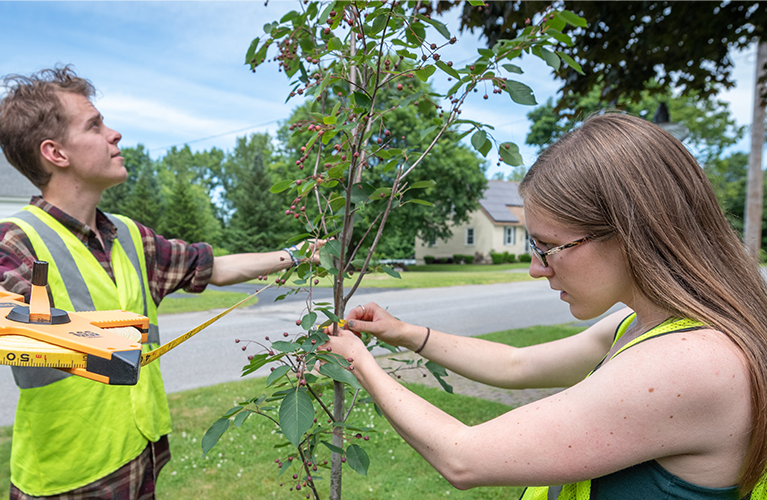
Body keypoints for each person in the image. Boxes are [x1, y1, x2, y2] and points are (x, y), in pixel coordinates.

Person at [0, 65, 318, 500]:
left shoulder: (129, 235)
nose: (115, 133)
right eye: (95, 125)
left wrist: (300, 255)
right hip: (68, 477)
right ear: (56, 153)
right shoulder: (15, 239)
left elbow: (211, 266)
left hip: (140, 454)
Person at [324, 113, 767, 499]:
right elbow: (516, 365)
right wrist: (405, 333)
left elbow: (463, 458)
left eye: (550, 246)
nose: (538, 269)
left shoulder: (693, 363)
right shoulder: (645, 327)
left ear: (633, 233)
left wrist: (359, 363)